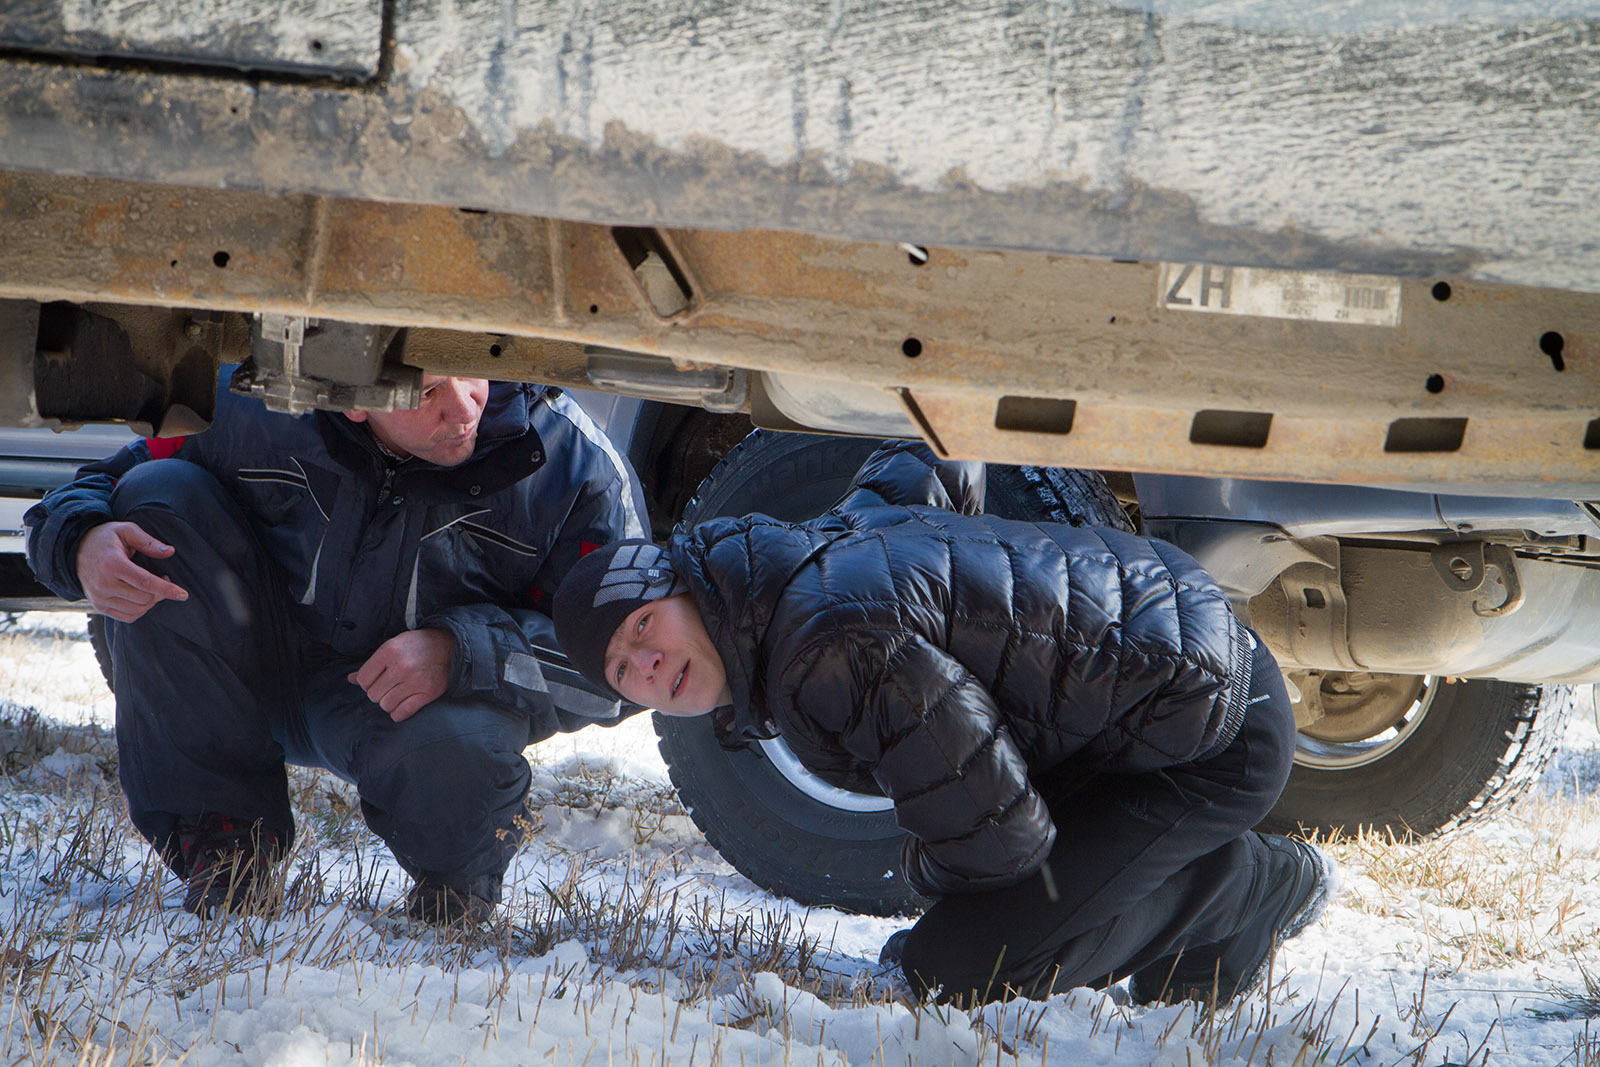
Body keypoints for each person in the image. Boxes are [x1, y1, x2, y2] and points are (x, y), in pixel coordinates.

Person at [552, 440, 1335, 1005]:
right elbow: (933, 455)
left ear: (685, 587)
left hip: (1213, 738)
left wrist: (928, 880)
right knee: (1071, 947)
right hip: (1186, 649)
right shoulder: (812, 552)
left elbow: (1002, 840)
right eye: (624, 670)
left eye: (643, 624)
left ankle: (1254, 883)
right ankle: (1212, 931)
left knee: (957, 970)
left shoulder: (820, 650)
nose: (648, 663)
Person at [26, 370, 647, 923]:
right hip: (250, 669)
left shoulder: (571, 463)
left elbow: (633, 665)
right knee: (155, 493)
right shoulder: (250, 402)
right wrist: (80, 543)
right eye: (429, 391)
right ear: (353, 397)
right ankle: (222, 852)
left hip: (403, 708)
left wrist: (461, 652)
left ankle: (455, 882)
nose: (463, 409)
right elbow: (100, 484)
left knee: (462, 748)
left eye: (473, 374)